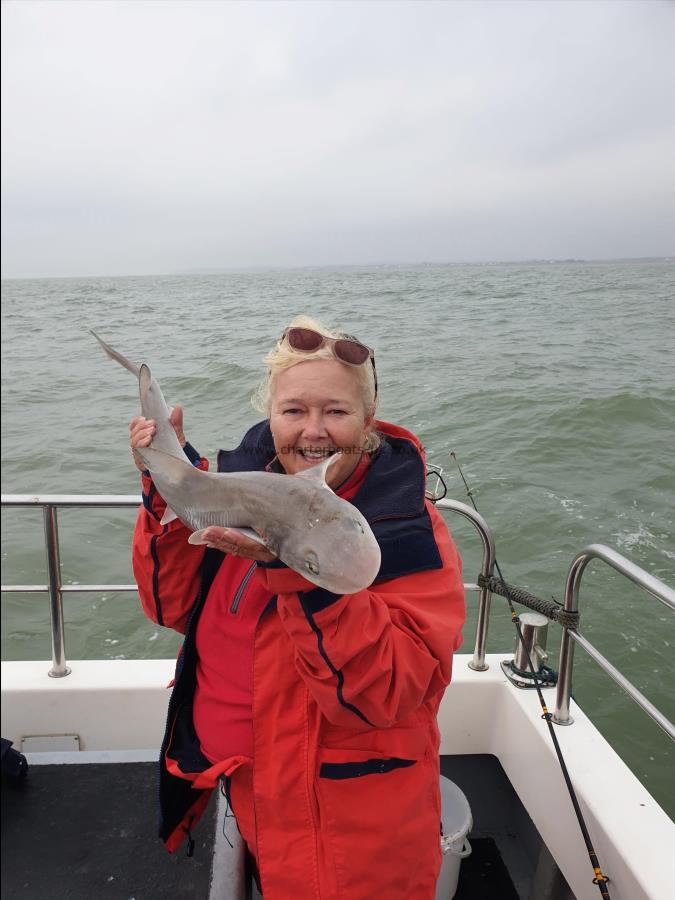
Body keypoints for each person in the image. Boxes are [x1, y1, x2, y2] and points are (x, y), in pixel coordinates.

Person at [129, 315, 465, 899]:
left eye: (336, 411)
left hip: (358, 827)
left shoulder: (409, 532)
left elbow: (387, 692)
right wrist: (170, 486)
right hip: (258, 794)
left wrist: (301, 573)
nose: (314, 432)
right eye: (294, 411)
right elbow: (172, 607)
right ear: (270, 414)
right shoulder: (240, 494)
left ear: (367, 418)